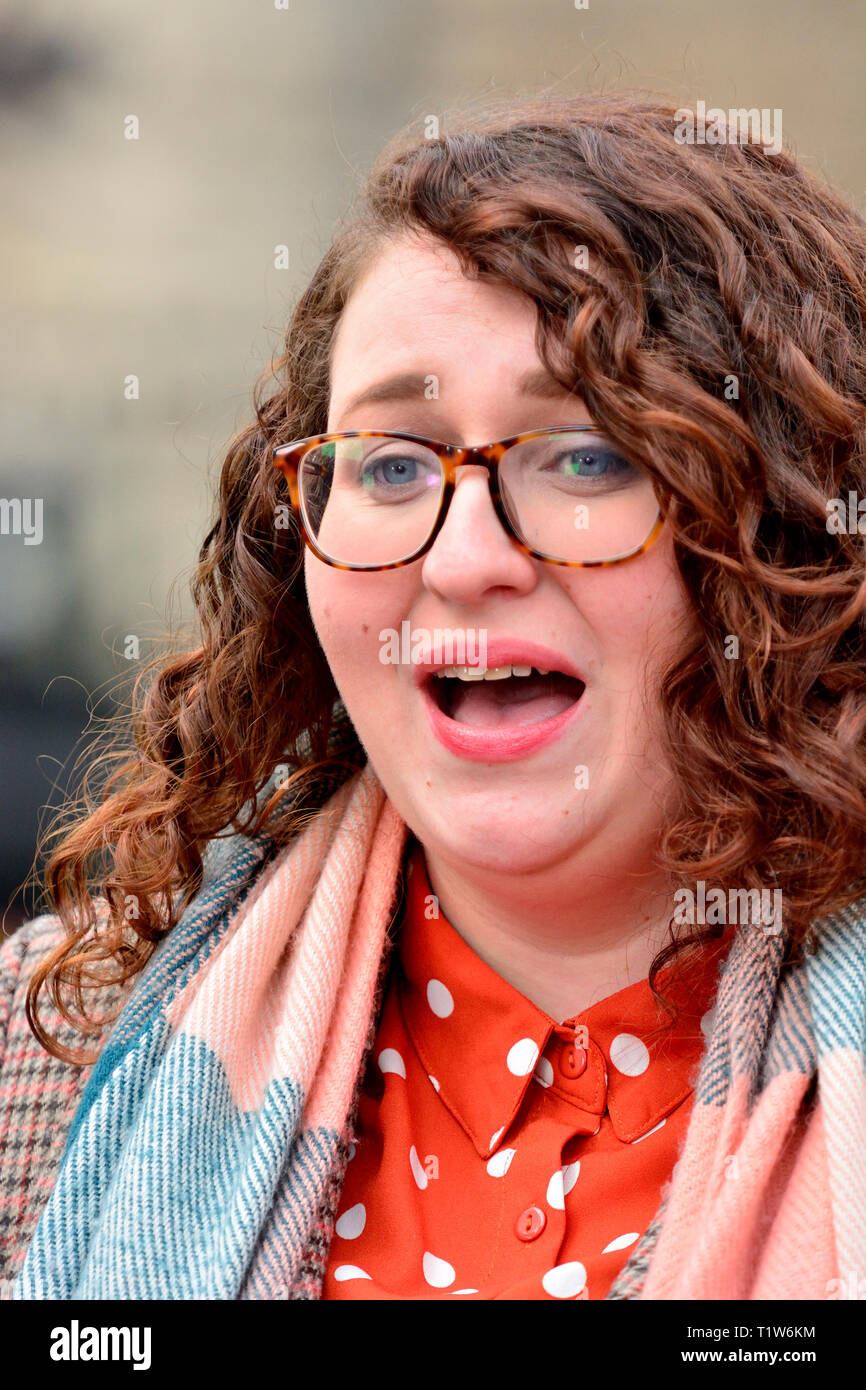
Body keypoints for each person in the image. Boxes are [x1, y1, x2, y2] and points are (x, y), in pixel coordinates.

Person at [2, 90, 865, 1302]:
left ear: (784, 536)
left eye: (587, 456)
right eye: (393, 462)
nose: (462, 558)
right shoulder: (47, 1056)